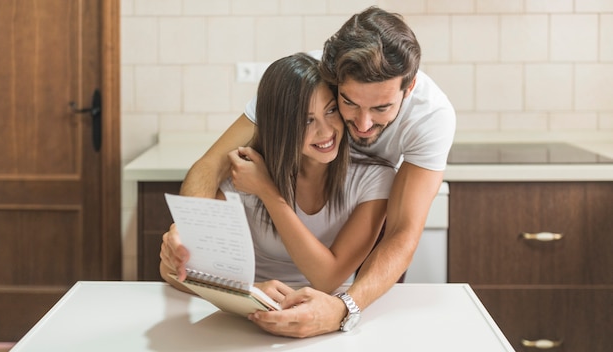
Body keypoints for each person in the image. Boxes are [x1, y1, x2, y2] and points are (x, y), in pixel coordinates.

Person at [164, 6, 455, 337]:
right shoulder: (301, 85)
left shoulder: (431, 118)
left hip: (356, 238)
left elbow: (403, 232)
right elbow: (211, 163)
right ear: (333, 79)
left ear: (410, 86)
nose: (363, 124)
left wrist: (344, 309)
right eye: (347, 103)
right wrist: (187, 236)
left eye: (381, 108)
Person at [160, 53, 395, 298]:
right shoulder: (245, 174)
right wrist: (250, 291)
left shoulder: (373, 177)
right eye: (306, 120)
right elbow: (176, 272)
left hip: (328, 309)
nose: (326, 131)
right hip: (249, 307)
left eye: (331, 110)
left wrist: (268, 192)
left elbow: (327, 279)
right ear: (280, 126)